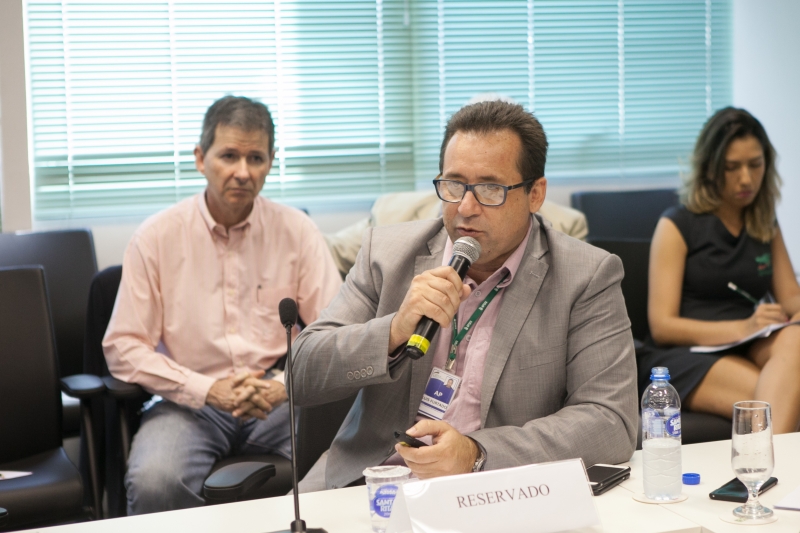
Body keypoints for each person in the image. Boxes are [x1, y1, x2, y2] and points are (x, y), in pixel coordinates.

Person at [292, 100, 638, 490]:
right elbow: (300, 374)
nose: (466, 208)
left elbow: (611, 421)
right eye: (454, 185)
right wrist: (392, 330)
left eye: (490, 189)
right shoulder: (386, 254)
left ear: (535, 194)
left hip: (495, 488)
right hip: (372, 480)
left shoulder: (586, 275)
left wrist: (476, 454)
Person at [103, 96, 342, 514]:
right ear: (200, 158)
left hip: (279, 400)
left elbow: (338, 329)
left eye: (256, 158)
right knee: (156, 481)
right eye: (229, 155)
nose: (243, 172)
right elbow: (123, 346)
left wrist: (281, 386)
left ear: (271, 161)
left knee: (354, 451)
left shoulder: (298, 231)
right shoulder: (156, 237)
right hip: (189, 403)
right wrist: (207, 389)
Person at [643, 106, 800, 434]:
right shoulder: (677, 224)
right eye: (732, 167)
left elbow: (791, 300)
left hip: (750, 339)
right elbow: (662, 326)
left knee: (795, 338)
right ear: (711, 169)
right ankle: (769, 475)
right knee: (774, 400)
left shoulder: (764, 222)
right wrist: (743, 326)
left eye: (755, 165)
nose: (746, 178)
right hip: (686, 353)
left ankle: (766, 474)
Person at [324, 191, 589, 278]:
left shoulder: (565, 224)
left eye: (490, 186)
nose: (466, 207)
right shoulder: (393, 212)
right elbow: (329, 249)